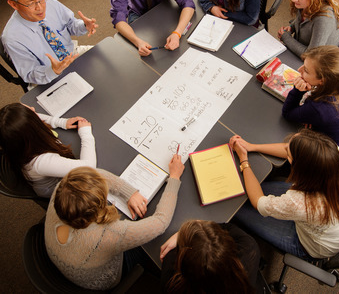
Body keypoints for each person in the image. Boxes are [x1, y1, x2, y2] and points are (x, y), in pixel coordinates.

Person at [45, 156, 184, 290]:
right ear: (98, 208)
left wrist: (129, 192)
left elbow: (96, 175)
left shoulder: (62, 189)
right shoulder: (110, 233)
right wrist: (174, 177)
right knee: (148, 246)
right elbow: (161, 222)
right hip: (98, 278)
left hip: (62, 258)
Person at [229, 129, 339, 260]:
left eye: (289, 157)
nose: (286, 154)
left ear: (302, 170)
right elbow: (288, 148)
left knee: (236, 207)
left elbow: (258, 202)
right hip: (329, 222)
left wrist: (244, 160)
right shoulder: (331, 154)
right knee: (253, 191)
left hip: (312, 244)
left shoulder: (301, 203)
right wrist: (251, 147)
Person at [1, 0, 98, 85]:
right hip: (47, 76)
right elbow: (29, 74)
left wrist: (83, 26)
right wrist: (53, 70)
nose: (40, 8)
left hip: (72, 53)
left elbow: (71, 25)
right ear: (13, 4)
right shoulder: (12, 38)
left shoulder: (50, 2)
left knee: (110, 59)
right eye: (31, 3)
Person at [0, 103, 96, 197]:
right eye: (32, 112)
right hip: (56, 189)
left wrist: (62, 122)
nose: (34, 108)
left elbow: (35, 117)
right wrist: (86, 133)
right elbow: (88, 168)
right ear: (33, 128)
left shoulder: (18, 138)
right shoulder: (40, 162)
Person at [282, 45, 339, 151]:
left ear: (322, 80)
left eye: (306, 70)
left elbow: (287, 113)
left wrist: (297, 90)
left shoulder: (320, 109)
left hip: (324, 155)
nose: (299, 70)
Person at [159, 220, 259, 293]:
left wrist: (180, 234)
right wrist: (203, 230)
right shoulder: (249, 248)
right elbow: (227, 227)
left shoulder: (171, 284)